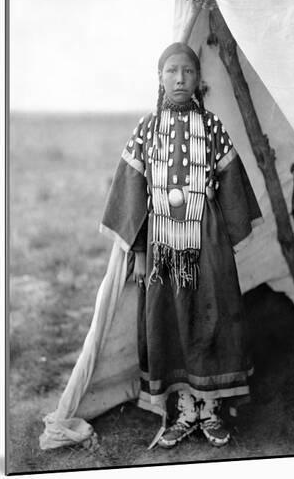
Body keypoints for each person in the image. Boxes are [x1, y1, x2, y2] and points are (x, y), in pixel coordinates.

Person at [100, 42, 263, 449]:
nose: (179, 79)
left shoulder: (212, 128)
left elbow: (232, 189)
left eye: (187, 72)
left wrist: (225, 244)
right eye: (171, 71)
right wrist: (138, 251)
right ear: (160, 77)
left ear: (197, 80)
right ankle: (185, 408)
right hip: (160, 244)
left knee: (213, 314)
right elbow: (132, 192)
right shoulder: (146, 129)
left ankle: (212, 411)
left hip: (206, 239)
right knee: (169, 317)